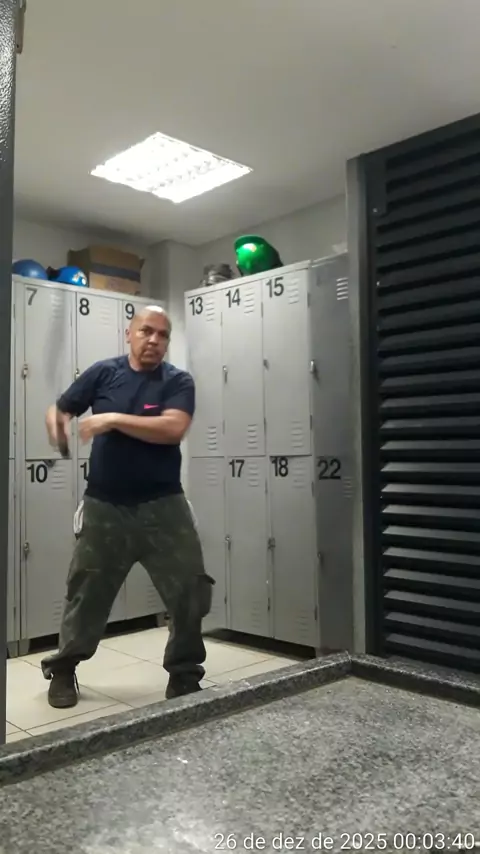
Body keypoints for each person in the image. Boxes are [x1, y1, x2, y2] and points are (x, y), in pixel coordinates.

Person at [41, 305, 214, 709]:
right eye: (146, 331)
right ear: (129, 334)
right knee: (86, 592)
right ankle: (63, 668)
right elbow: (62, 407)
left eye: (162, 335)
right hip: (105, 505)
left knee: (190, 589)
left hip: (164, 505)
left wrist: (112, 419)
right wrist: (57, 420)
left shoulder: (177, 381)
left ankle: (184, 675)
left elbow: (173, 428)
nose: (154, 340)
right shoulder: (104, 373)